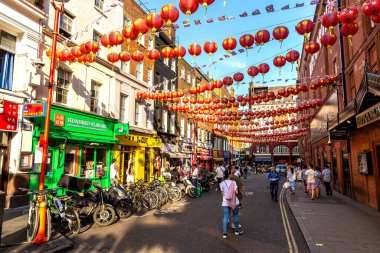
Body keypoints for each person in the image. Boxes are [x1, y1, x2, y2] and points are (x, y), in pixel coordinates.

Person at [220, 168, 243, 239]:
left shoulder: (222, 183)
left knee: (226, 217)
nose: (232, 175)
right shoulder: (233, 183)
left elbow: (222, 194)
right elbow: (236, 193)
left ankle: (225, 233)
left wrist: (226, 199)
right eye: (231, 173)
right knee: (235, 215)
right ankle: (236, 230)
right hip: (234, 202)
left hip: (226, 202)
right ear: (229, 175)